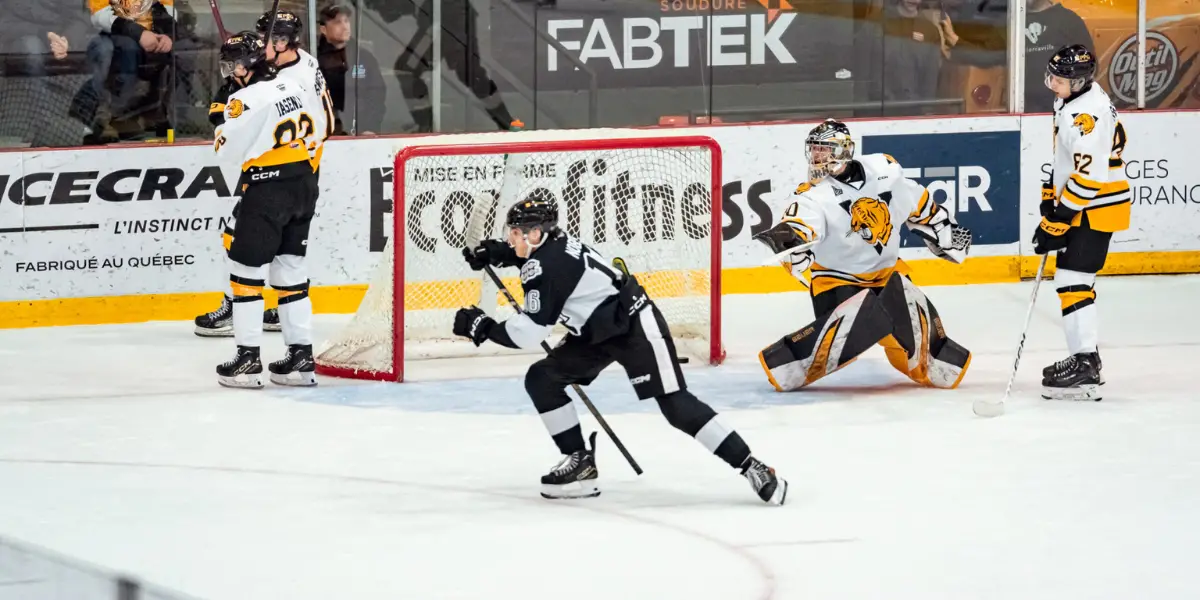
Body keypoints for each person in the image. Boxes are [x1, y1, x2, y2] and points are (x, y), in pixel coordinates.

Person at [453, 199, 788, 505]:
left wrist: (483, 327)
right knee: (542, 378)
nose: (511, 239)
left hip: (633, 324)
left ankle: (753, 466)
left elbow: (530, 332)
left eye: (514, 234)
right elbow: (548, 266)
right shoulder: (552, 246)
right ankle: (580, 463)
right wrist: (500, 253)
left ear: (537, 233)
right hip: (595, 331)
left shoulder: (543, 268)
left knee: (675, 405)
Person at [754, 118, 973, 392]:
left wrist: (942, 229)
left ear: (844, 150)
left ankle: (933, 362)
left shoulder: (885, 173)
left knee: (916, 326)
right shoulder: (812, 196)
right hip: (837, 284)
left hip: (886, 278)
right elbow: (800, 226)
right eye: (813, 150)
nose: (816, 156)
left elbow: (918, 202)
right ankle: (787, 364)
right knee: (865, 318)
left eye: (824, 149)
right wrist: (791, 244)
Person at [195, 9, 334, 338]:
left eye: (277, 38)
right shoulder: (274, 69)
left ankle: (240, 308)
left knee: (251, 240)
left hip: (287, 164)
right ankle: (280, 314)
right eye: (266, 36)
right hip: (284, 164)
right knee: (273, 249)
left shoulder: (292, 76)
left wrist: (231, 122)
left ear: (291, 43)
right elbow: (230, 91)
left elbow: (319, 125)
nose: (269, 44)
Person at [211, 30, 322, 389]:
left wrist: (225, 117)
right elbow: (318, 130)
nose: (229, 73)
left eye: (232, 66)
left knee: (245, 272)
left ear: (246, 65)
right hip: (304, 182)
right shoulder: (295, 84)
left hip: (268, 188)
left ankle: (248, 359)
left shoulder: (245, 98)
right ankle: (301, 356)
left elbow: (225, 152)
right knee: (290, 269)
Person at [1032, 44, 1130, 401]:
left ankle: (1085, 363)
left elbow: (1090, 180)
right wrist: (1051, 193)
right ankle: (1084, 359)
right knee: (1072, 279)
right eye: (1052, 75)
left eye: (1059, 79)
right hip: (1085, 204)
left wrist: (1059, 218)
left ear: (1080, 81)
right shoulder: (1074, 99)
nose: (1051, 83)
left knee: (1074, 279)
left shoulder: (1085, 116)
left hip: (1096, 206)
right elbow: (1069, 160)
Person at [317, 4, 386, 135]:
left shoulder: (364, 58)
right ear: (324, 29)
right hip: (326, 137)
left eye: (346, 21)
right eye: (338, 22)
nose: (345, 26)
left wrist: (370, 128)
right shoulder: (314, 60)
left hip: (362, 134)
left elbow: (377, 96)